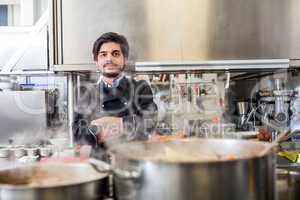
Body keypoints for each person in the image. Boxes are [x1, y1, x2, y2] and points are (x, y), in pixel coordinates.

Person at [73, 32, 157, 147]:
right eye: (103, 54)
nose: (109, 59)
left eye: (115, 54)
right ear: (96, 62)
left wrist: (115, 123)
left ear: (125, 59)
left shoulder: (141, 88)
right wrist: (127, 126)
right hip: (99, 162)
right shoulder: (87, 93)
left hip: (134, 159)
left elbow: (150, 123)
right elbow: (77, 133)